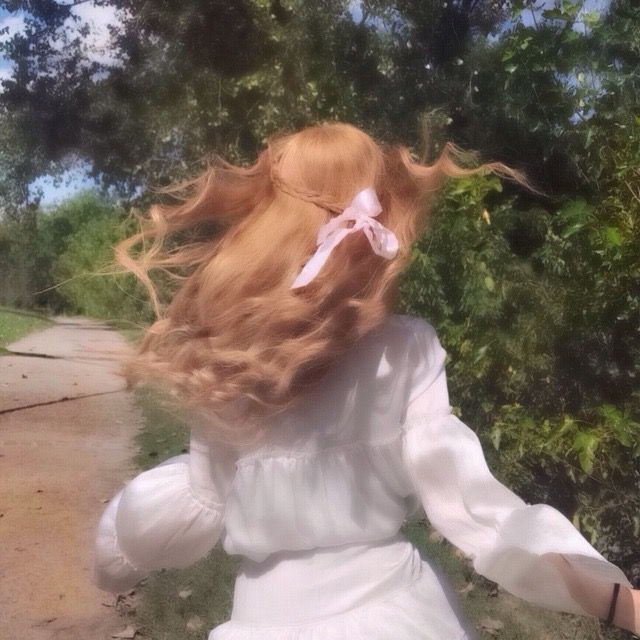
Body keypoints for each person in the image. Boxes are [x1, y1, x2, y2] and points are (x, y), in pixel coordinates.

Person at [92, 122, 639, 639]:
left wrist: (119, 554)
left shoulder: (232, 360)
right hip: (396, 613)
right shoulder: (405, 349)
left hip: (265, 616)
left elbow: (198, 497)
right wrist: (615, 601)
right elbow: (471, 506)